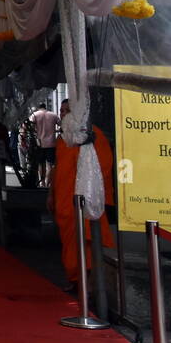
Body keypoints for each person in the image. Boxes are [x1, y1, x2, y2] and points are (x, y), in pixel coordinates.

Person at [48, 107, 115, 291]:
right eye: (61, 111)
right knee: (70, 242)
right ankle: (75, 280)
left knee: (86, 241)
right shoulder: (64, 139)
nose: (63, 114)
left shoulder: (91, 135)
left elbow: (103, 167)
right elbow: (58, 168)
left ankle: (88, 286)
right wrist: (51, 193)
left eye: (68, 110)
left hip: (84, 199)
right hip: (65, 201)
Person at [30, 102, 60, 187]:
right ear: (45, 107)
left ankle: (42, 182)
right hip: (51, 144)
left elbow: (30, 128)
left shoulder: (35, 115)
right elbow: (61, 126)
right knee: (50, 164)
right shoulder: (53, 115)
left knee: (41, 163)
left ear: (38, 108)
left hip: (39, 144)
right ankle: (48, 183)